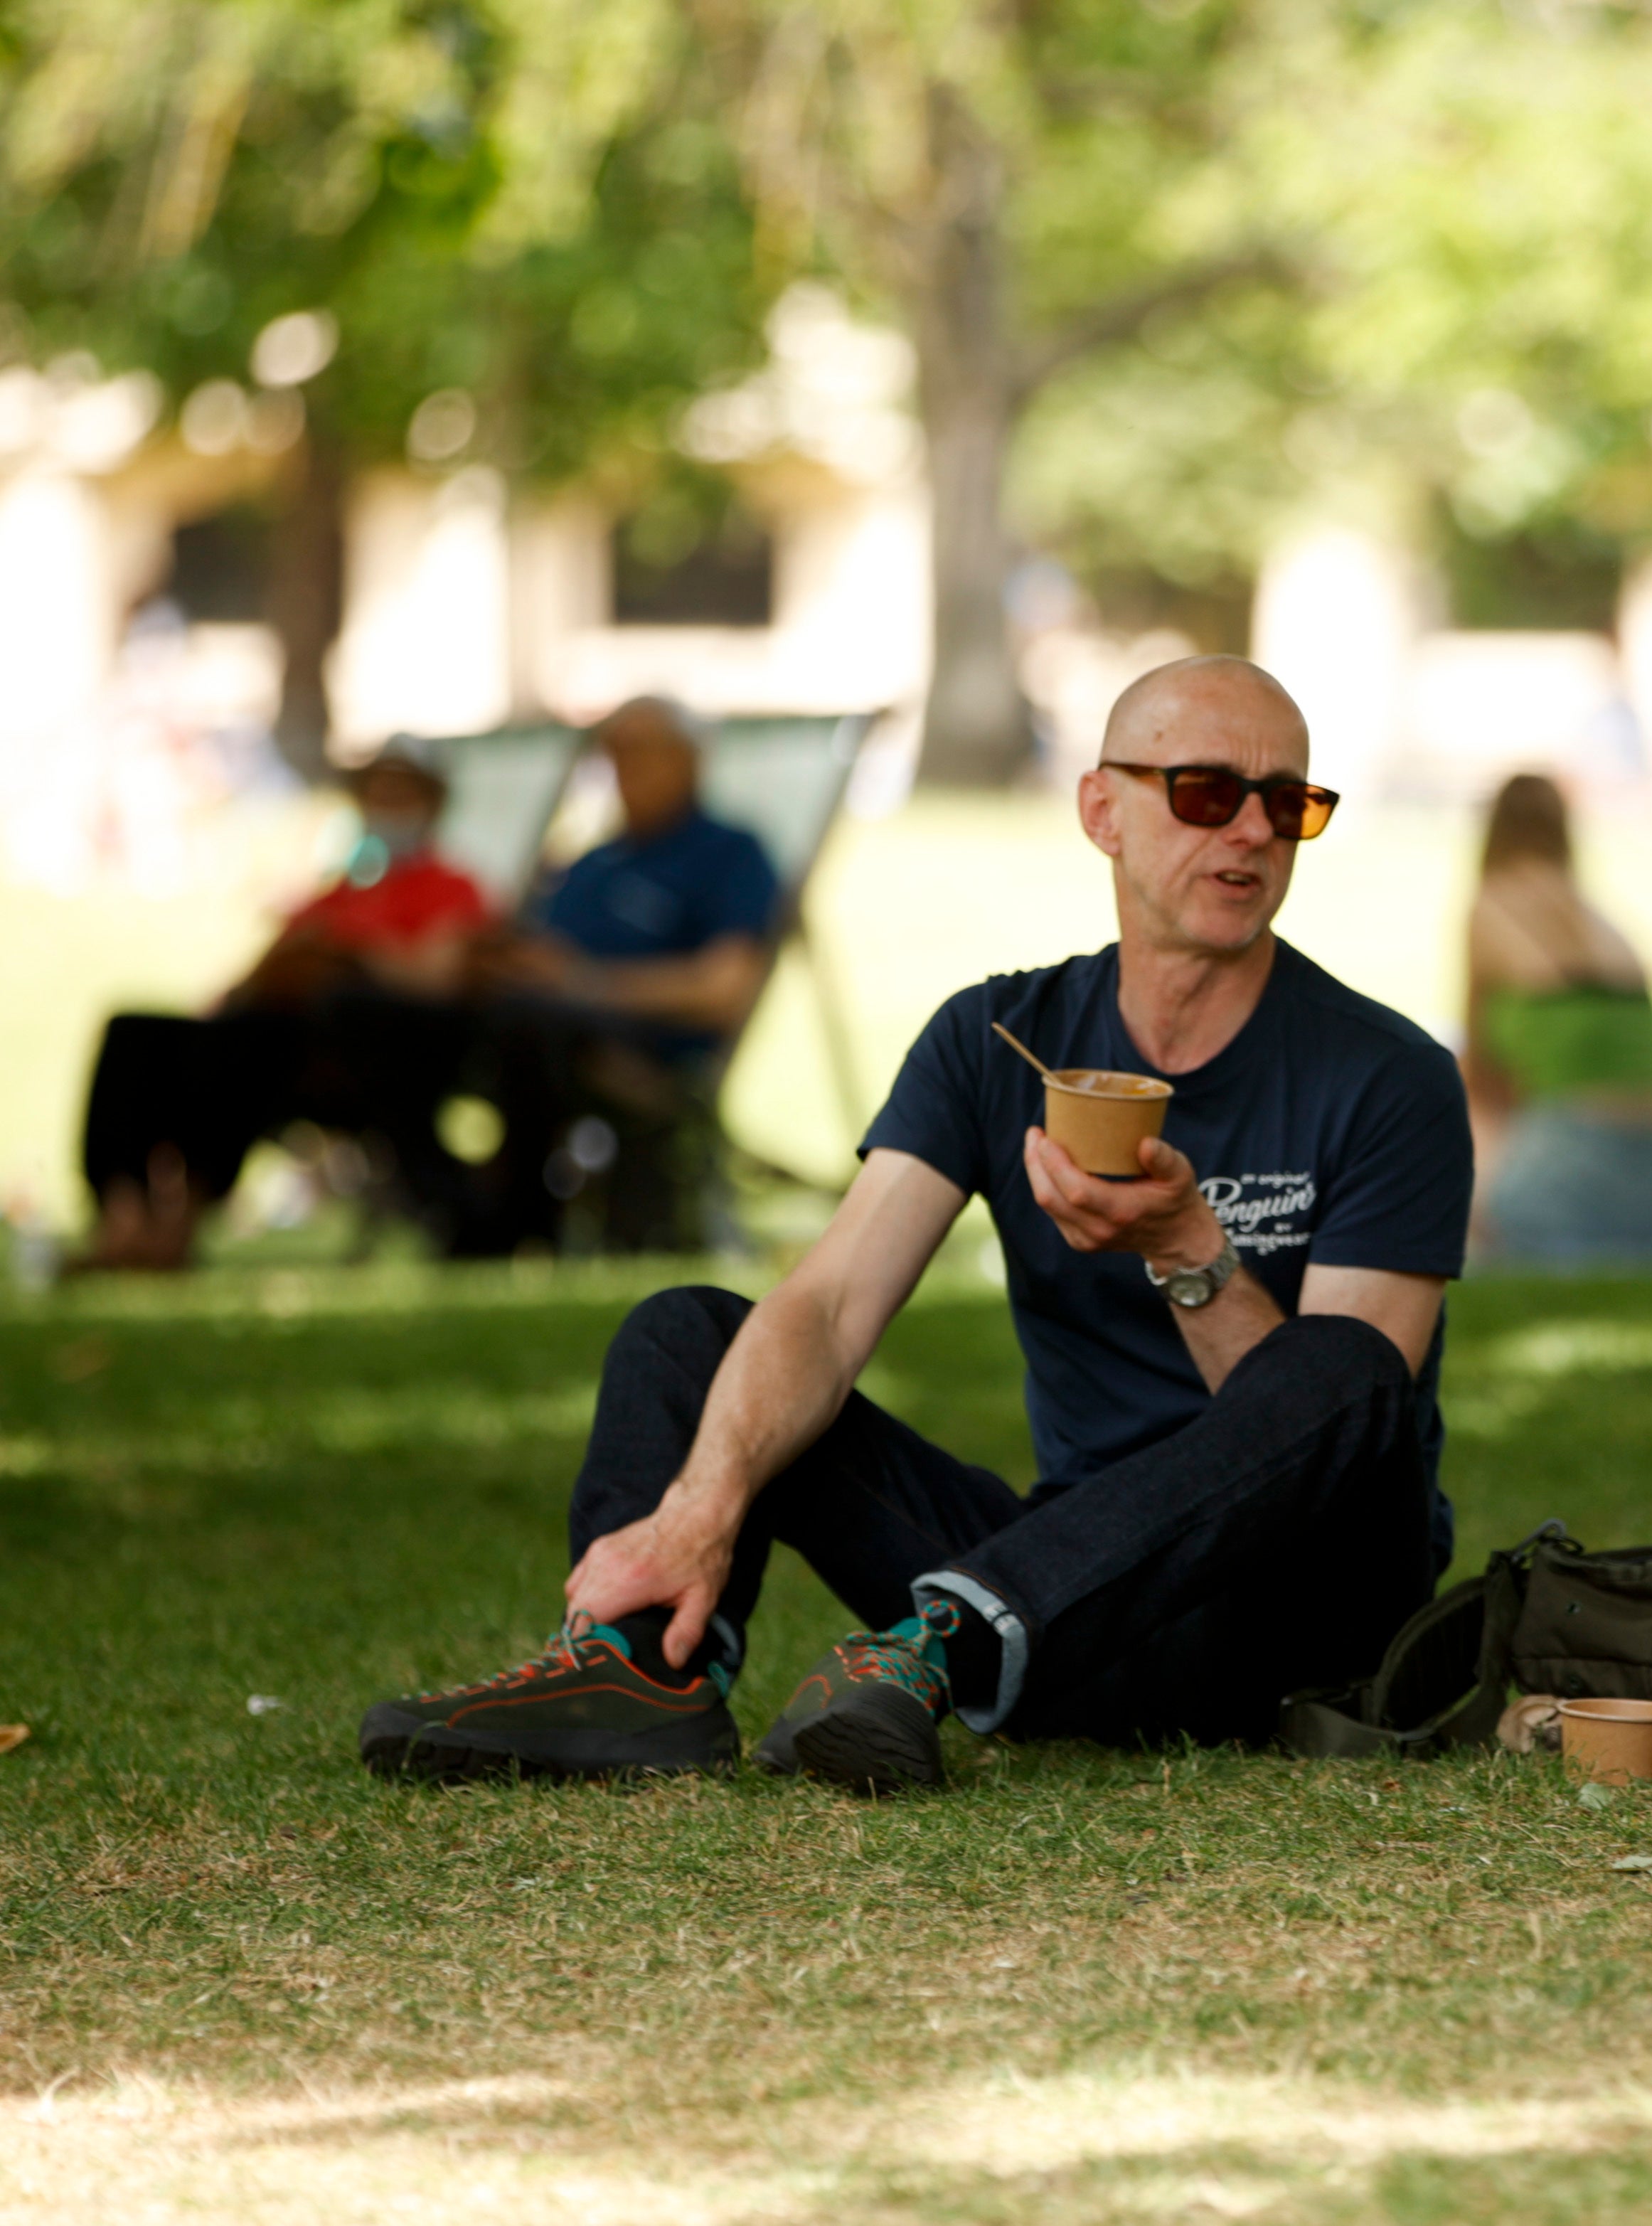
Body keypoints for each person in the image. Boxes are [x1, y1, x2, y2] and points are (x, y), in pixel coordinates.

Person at [357, 656, 1473, 1793]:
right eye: (1203, 792)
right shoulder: (997, 1039)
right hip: (1065, 1622)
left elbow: (1339, 1438)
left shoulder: (1387, 1076)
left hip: (1293, 1626)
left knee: (1342, 1363)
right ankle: (639, 1674)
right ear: (1102, 810)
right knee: (690, 1333)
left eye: (1286, 804)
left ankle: (943, 1639)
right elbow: (833, 1308)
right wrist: (699, 1508)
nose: (1248, 832)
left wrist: (1185, 1247)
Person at [68, 739, 493, 1272]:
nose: (386, 803)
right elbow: (253, 977)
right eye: (376, 791)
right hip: (263, 1032)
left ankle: (179, 1220)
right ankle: (123, 1212)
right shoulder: (338, 890)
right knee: (133, 1031)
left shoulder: (452, 887)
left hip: (355, 1058)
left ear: (432, 803)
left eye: (401, 791)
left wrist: (348, 953)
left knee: (255, 1036)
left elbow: (439, 978)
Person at [439, 696, 781, 1253]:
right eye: (615, 754)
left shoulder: (732, 854)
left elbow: (723, 989)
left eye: (642, 752)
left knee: (526, 1025)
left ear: (690, 760)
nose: (625, 769)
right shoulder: (591, 864)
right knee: (385, 1017)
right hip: (534, 1024)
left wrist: (583, 981)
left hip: (640, 1050)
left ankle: (512, 1228)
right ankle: (442, 1201)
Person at [1461, 771, 1652, 1260]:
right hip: (1650, 1174)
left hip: (1557, 1171)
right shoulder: (1598, 916)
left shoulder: (1491, 906)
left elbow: (1479, 1059)